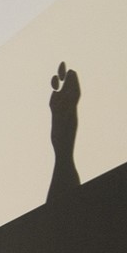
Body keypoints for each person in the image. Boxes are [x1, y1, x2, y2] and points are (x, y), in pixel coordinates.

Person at [48, 60, 81, 204]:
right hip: (59, 136)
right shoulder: (57, 101)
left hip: (63, 137)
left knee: (63, 161)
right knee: (63, 161)